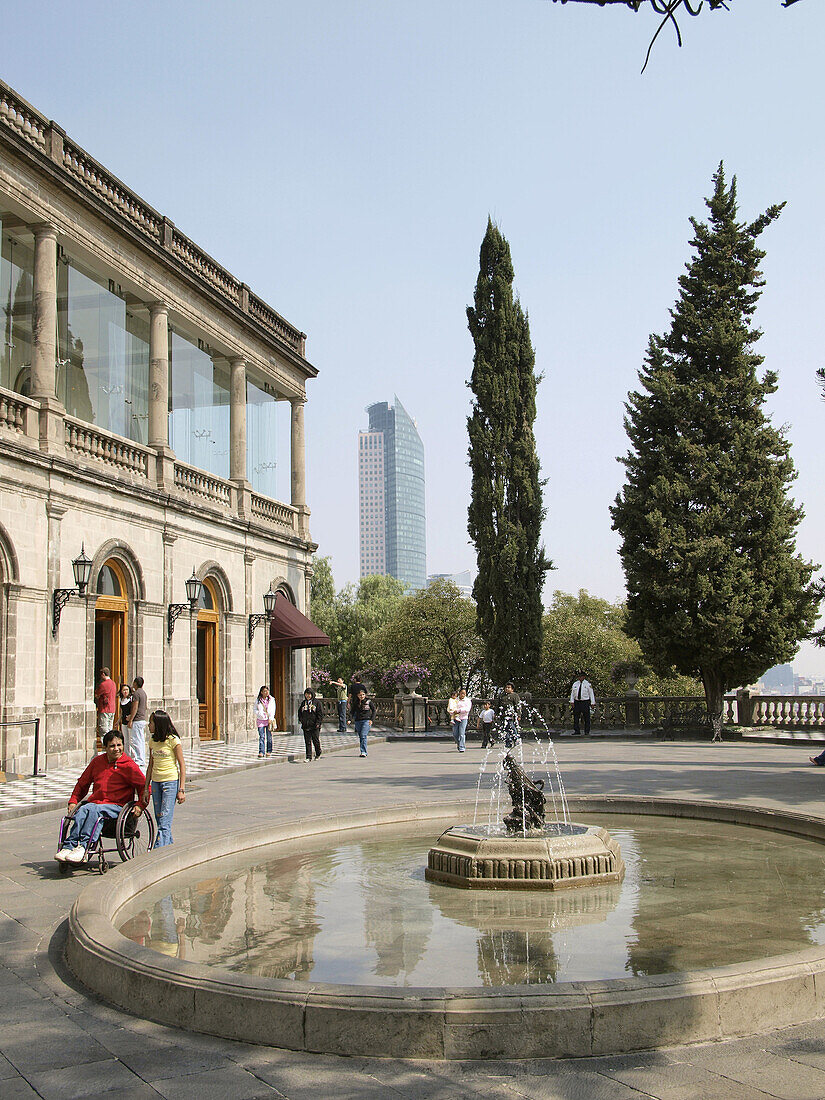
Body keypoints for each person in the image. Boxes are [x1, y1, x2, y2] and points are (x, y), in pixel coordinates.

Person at [55, 730, 145, 863]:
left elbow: (144, 787)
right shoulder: (97, 762)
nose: (116, 749)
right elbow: (82, 783)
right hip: (97, 803)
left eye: (119, 745)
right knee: (83, 810)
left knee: (95, 810)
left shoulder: (129, 765)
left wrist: (140, 805)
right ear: (105, 748)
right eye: (112, 746)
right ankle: (70, 845)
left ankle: (84, 846)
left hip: (117, 806)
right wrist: (73, 800)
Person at [143, 710, 186, 847]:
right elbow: (150, 765)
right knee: (160, 818)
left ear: (159, 724)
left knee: (165, 820)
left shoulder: (173, 740)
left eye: (151, 722)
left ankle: (158, 852)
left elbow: (182, 765)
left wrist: (181, 789)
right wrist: (146, 788)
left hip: (170, 782)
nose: (148, 725)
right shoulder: (152, 741)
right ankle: (169, 847)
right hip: (156, 782)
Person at [126, 675, 148, 769]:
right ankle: (141, 758)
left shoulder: (136, 694)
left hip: (137, 719)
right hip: (142, 718)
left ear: (135, 683)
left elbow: (135, 707)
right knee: (141, 740)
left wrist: (131, 719)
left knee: (136, 740)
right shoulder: (143, 693)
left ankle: (139, 759)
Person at [298, 688, 323, 762]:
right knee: (307, 741)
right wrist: (301, 720)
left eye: (309, 694)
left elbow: (320, 714)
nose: (308, 696)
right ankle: (308, 756)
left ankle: (318, 752)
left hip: (315, 725)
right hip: (306, 725)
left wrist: (318, 723)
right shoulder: (303, 703)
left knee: (315, 740)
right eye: (306, 694)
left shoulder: (317, 703)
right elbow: (300, 712)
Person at [570, 672, 596, 736]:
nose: (580, 678)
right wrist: (572, 701)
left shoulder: (588, 684)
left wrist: (592, 703)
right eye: (579, 676)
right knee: (576, 717)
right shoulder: (575, 684)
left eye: (581, 676)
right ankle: (576, 730)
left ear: (584, 677)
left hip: (585, 701)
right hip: (577, 702)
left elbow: (591, 694)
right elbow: (572, 693)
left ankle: (587, 731)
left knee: (586, 717)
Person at [351, 687, 375, 758]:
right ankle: (363, 750)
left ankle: (363, 751)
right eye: (360, 695)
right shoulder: (356, 702)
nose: (361, 696)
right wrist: (350, 719)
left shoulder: (368, 702)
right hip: (358, 720)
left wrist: (371, 719)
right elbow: (352, 711)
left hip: (366, 720)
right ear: (358, 696)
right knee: (361, 736)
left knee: (363, 735)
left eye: (363, 695)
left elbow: (374, 710)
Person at [94, 667, 116, 741]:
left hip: (104, 709)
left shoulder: (103, 684)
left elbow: (96, 694)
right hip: (112, 709)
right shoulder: (113, 683)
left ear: (103, 674)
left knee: (104, 730)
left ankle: (105, 747)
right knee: (110, 729)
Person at [255, 685, 277, 757]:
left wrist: (271, 718)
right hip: (261, 720)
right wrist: (259, 714)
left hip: (268, 720)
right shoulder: (258, 700)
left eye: (267, 691)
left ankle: (269, 750)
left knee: (269, 736)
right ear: (261, 692)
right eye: (264, 691)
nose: (266, 692)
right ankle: (261, 751)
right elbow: (255, 709)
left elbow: (273, 709)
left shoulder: (271, 700)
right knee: (262, 736)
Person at [453, 688, 472, 753]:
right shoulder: (456, 700)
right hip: (456, 718)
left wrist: (459, 710)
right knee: (455, 733)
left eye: (464, 693)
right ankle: (459, 744)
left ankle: (462, 747)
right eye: (462, 693)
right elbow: (452, 707)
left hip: (463, 718)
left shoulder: (467, 700)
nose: (463, 695)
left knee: (461, 733)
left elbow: (467, 709)